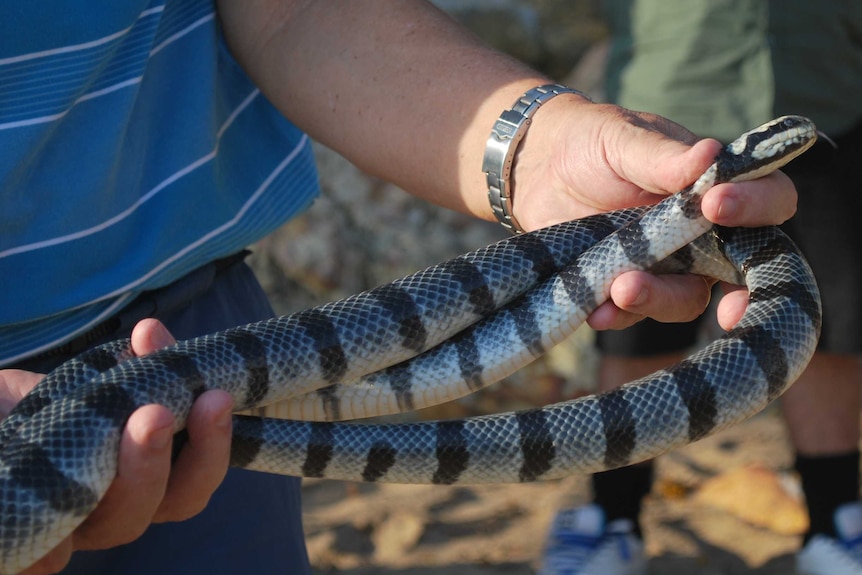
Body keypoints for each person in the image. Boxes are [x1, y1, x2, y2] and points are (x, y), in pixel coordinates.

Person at [0, 2, 799, 574]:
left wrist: (535, 147)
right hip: (173, 379)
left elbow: (293, 13)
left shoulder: (690, 217)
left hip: (191, 325)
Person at [537, 1, 862, 574]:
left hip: (824, 94)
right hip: (671, 108)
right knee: (633, 328)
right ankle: (614, 518)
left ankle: (837, 520)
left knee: (829, 323)